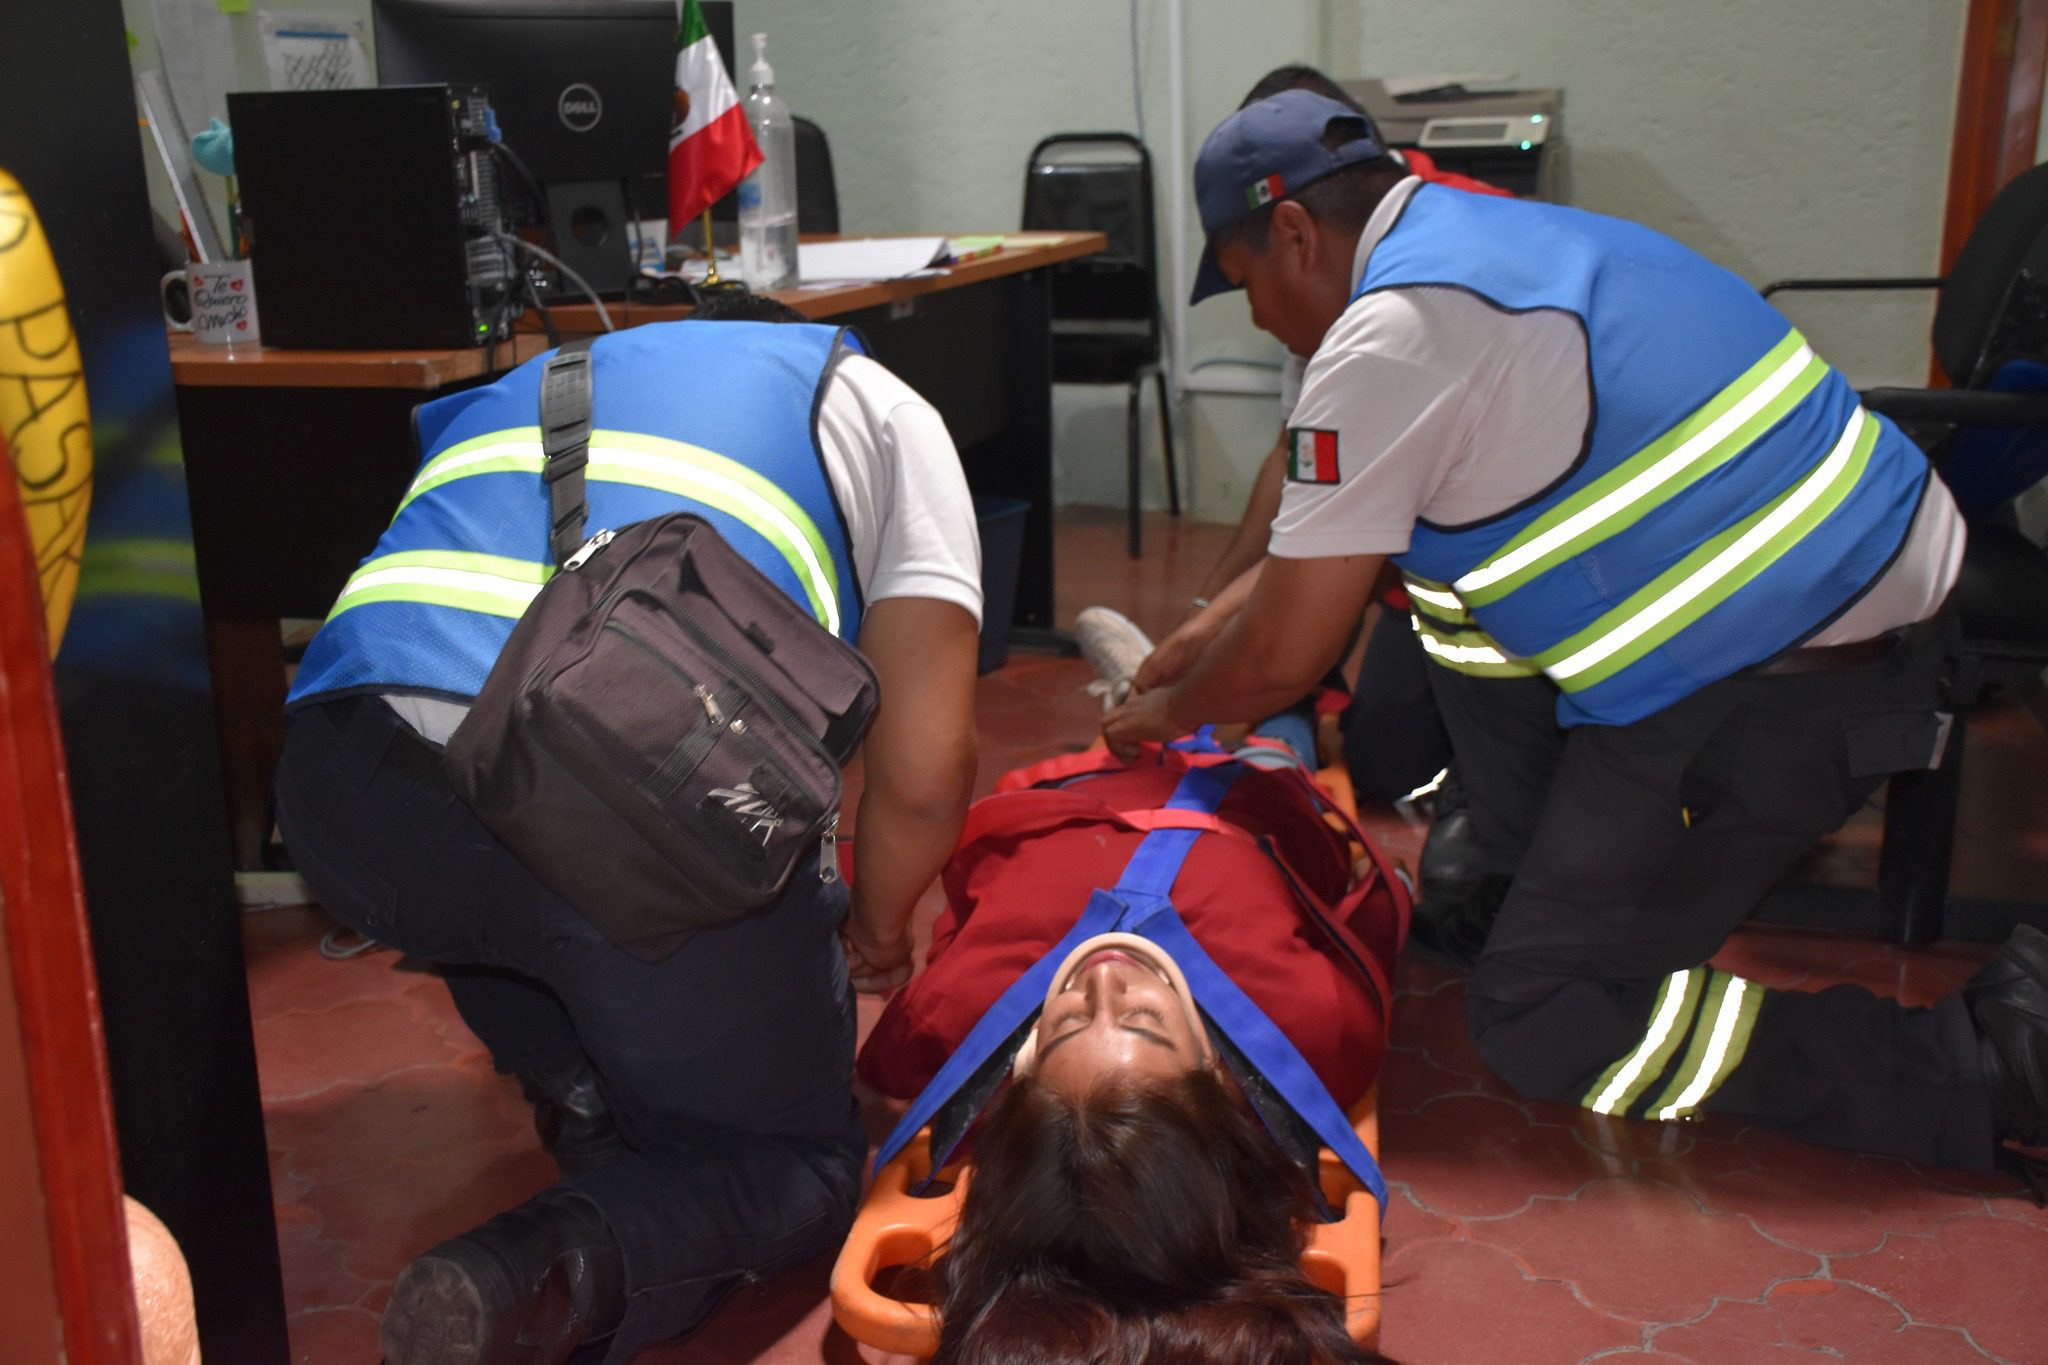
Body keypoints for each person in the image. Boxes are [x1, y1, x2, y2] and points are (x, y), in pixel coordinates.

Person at [1102, 89, 2048, 1182]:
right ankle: (1518, 871)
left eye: (1244, 282)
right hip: (1840, 608)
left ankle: (1982, 1061)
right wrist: (1209, 629)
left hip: (1789, 688)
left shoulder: (1384, 342)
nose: (1260, 317)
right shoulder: (1495, 238)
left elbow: (1282, 659)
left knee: (1543, 1016)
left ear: (1298, 234)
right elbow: (1321, 554)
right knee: (1433, 588)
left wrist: (1167, 711)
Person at [273, 290, 983, 1364]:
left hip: (343, 802)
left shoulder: (534, 379)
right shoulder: (871, 398)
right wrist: (876, 932)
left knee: (516, 899)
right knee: (805, 1159)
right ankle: (539, 1270)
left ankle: (587, 1088)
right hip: (608, 826)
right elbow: (927, 775)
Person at [856, 726, 1405, 1364]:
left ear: (1024, 1058)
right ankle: (1241, 706)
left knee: (1204, 719)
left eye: (1067, 1021)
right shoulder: (1310, 1026)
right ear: (1215, 1069)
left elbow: (891, 1054)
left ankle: (1188, 697)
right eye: (1144, 1018)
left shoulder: (954, 1018)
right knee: (1274, 735)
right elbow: (1371, 926)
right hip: (1255, 790)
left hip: (1080, 777)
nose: (1108, 975)